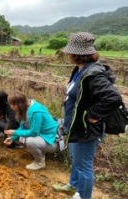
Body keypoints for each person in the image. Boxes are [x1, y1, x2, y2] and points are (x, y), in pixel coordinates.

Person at [52, 32, 122, 199]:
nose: (67, 54)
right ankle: (73, 185)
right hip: (76, 125)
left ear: (77, 54)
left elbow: (113, 97)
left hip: (86, 129)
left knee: (84, 165)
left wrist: (92, 114)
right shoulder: (80, 69)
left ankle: (83, 196)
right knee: (76, 159)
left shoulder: (93, 73)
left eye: (69, 51)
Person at [4, 91, 59, 170]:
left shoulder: (35, 112)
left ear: (17, 104)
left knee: (30, 140)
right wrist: (12, 138)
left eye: (11, 105)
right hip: (44, 136)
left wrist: (14, 132)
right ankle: (40, 151)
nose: (10, 107)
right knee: (23, 136)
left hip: (53, 141)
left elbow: (34, 132)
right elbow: (24, 126)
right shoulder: (26, 107)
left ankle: (39, 163)